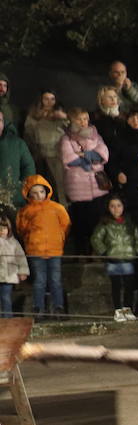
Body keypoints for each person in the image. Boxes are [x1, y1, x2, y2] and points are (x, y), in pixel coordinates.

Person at [16, 175, 70, 319]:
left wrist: (59, 239)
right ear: (28, 194)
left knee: (55, 280)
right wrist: (31, 240)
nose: (39, 195)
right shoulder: (26, 211)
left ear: (46, 191)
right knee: (39, 281)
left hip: (54, 249)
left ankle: (59, 308)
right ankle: (38, 309)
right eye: (34, 192)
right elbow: (21, 229)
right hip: (35, 251)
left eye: (41, 191)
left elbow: (65, 225)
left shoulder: (57, 208)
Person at [24, 91, 69, 203]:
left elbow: (73, 129)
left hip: (59, 154)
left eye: (52, 99)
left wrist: (65, 117)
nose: (49, 102)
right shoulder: (33, 116)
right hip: (41, 154)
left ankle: (64, 209)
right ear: (41, 100)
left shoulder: (60, 114)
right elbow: (28, 134)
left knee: (61, 184)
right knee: (45, 185)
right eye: (46, 99)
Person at [0, 110, 36, 211]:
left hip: (14, 201)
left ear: (4, 123)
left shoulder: (17, 143)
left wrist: (21, 189)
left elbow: (28, 167)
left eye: (0, 120)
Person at [0, 213, 26, 318]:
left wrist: (23, 271)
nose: (1, 231)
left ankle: (8, 318)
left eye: (4, 228)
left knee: (6, 297)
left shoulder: (14, 243)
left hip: (8, 276)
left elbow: (21, 258)